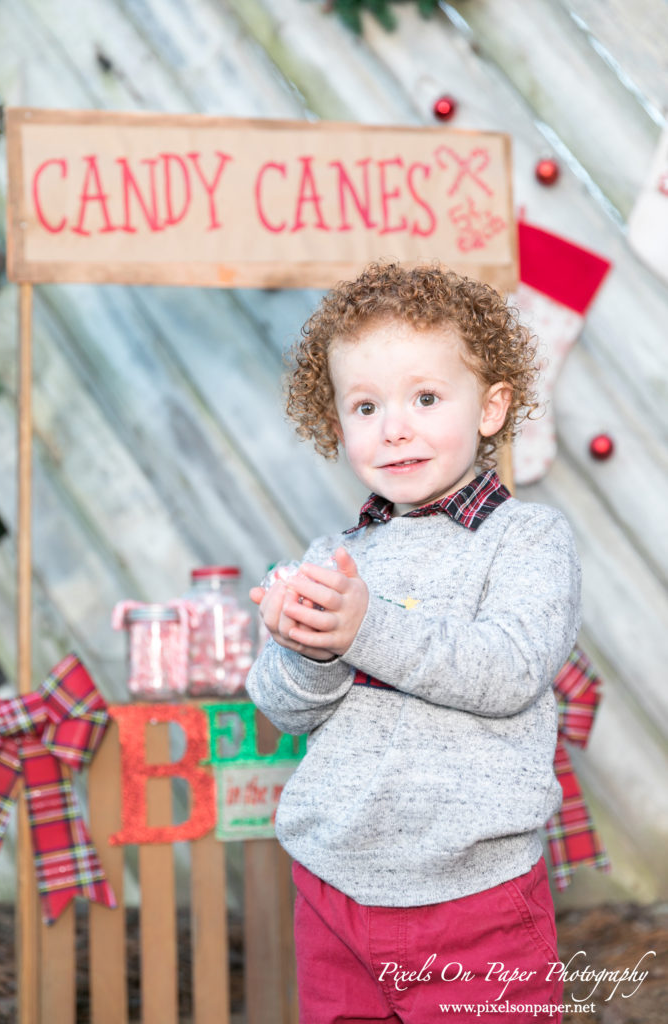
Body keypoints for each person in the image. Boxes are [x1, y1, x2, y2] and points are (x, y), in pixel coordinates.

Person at [245, 261, 580, 1024]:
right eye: (365, 406)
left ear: (490, 407)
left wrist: (365, 628)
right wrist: (308, 648)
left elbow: (507, 671)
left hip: (473, 898)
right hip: (332, 886)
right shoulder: (335, 556)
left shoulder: (525, 540)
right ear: (335, 423)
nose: (394, 426)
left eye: (425, 398)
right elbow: (283, 710)